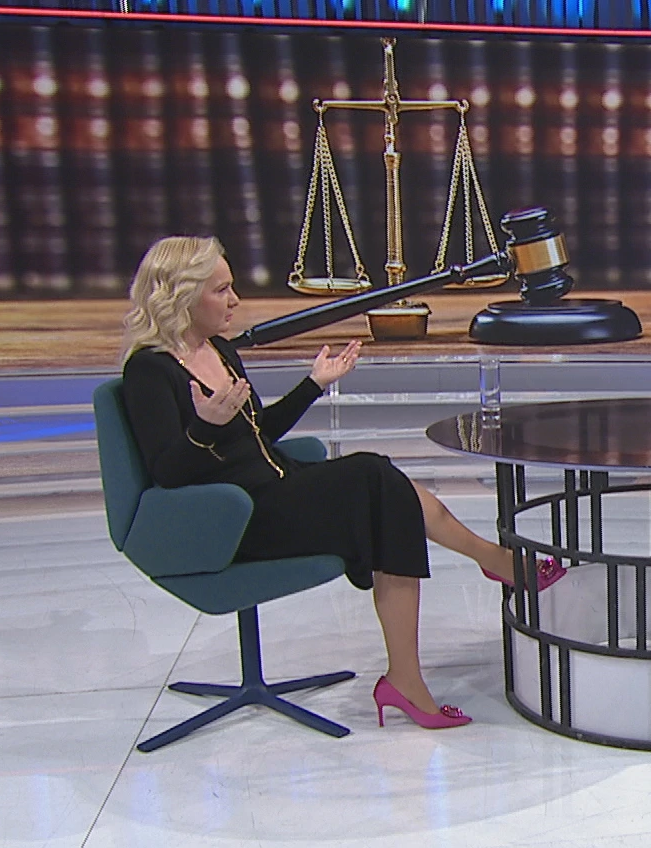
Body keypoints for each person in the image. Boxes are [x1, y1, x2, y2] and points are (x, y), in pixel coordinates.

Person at [119, 236, 563, 728]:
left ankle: (409, 673)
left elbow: (259, 434)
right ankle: (490, 566)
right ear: (181, 295)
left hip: (277, 486)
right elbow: (166, 472)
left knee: (387, 496)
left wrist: (314, 384)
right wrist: (204, 427)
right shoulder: (148, 371)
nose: (235, 300)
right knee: (373, 475)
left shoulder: (220, 351)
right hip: (234, 518)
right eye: (221, 290)